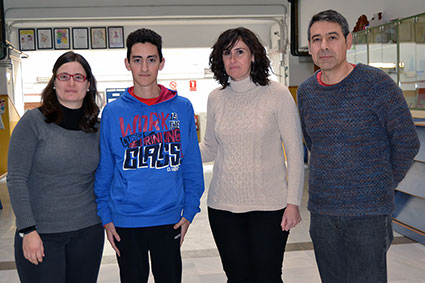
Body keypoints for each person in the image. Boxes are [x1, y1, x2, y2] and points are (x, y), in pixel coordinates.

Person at [297, 9, 420, 283]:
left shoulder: (377, 85)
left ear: (348, 41)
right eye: (316, 40)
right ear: (309, 47)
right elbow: (313, 143)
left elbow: (407, 142)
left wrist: (381, 184)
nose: (324, 46)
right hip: (323, 213)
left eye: (332, 37)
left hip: (369, 214)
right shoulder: (306, 92)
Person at [94, 28, 204, 283]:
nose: (144, 68)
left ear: (161, 63)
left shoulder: (182, 107)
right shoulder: (113, 112)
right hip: (126, 220)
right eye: (137, 60)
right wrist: (106, 217)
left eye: (151, 59)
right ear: (127, 63)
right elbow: (106, 168)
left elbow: (190, 165)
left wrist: (189, 211)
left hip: (169, 219)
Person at [200, 27, 305, 283]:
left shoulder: (277, 94)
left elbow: (294, 151)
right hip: (222, 206)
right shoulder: (216, 99)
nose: (233, 59)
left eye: (239, 52)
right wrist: (173, 153)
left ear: (254, 56)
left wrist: (293, 202)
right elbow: (210, 148)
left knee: (267, 276)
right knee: (237, 277)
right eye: (227, 53)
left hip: (269, 207)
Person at [7, 51, 104, 283]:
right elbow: (16, 178)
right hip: (41, 234)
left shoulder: (97, 127)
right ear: (54, 82)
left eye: (78, 77)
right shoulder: (33, 122)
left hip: (88, 232)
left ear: (88, 84)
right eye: (64, 76)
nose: (71, 83)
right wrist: (27, 230)